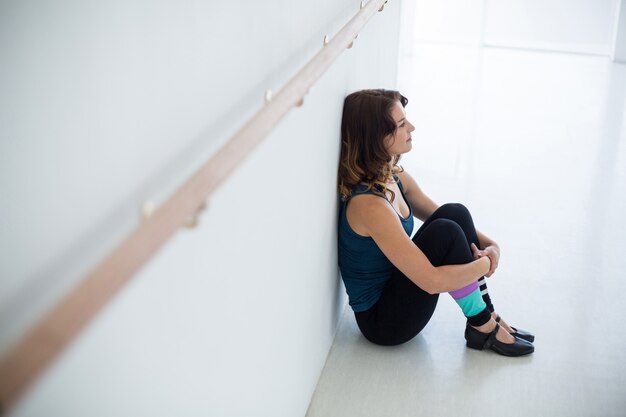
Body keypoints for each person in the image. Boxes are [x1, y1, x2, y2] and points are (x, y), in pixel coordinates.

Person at [337, 89, 534, 356]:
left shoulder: (393, 176)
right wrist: (484, 263)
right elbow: (432, 282)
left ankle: (487, 318)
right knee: (446, 232)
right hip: (384, 322)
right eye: (401, 125)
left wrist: (492, 246)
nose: (412, 128)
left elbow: (447, 216)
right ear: (377, 138)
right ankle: (483, 325)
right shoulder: (369, 206)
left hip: (399, 287)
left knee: (455, 213)